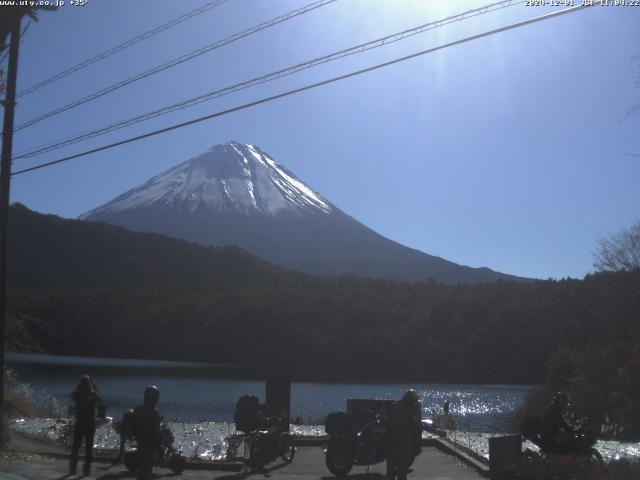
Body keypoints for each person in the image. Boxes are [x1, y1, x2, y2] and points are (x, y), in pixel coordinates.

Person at [69, 375, 103, 476]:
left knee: (76, 447)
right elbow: (99, 396)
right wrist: (94, 385)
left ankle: (73, 469)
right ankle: (86, 470)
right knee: (89, 448)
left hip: (79, 423)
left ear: (81, 384)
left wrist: (78, 386)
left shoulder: (78, 394)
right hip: (90, 424)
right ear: (89, 384)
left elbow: (72, 394)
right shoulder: (93, 395)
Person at [386, 390, 422, 480]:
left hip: (390, 445)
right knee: (401, 473)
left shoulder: (394, 407)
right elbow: (416, 429)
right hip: (403, 445)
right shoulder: (411, 412)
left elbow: (388, 424)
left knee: (390, 472)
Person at [131, 385, 162, 480]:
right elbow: (156, 430)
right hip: (150, 445)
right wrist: (160, 442)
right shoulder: (153, 412)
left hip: (140, 442)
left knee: (142, 470)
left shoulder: (138, 409)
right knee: (146, 470)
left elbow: (133, 424)